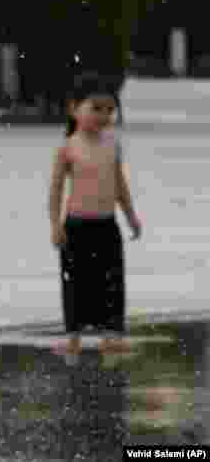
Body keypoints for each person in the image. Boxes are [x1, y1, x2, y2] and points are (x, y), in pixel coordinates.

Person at [48, 72, 142, 358]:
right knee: (76, 282)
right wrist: (55, 224)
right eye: (96, 108)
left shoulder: (112, 145)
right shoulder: (67, 148)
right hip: (76, 226)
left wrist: (131, 216)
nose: (104, 115)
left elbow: (119, 185)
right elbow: (55, 190)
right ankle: (73, 335)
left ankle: (111, 334)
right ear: (74, 109)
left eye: (109, 110)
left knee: (112, 281)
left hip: (106, 225)